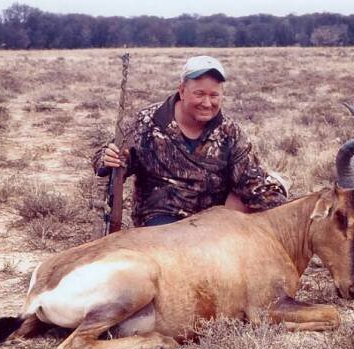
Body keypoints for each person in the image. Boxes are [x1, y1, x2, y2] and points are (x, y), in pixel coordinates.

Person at [92, 55, 288, 227]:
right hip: (161, 220)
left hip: (215, 223)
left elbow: (253, 183)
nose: (207, 103)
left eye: (214, 95)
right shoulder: (147, 122)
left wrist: (294, 213)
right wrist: (108, 159)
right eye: (199, 94)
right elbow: (105, 159)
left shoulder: (230, 132)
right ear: (182, 90)